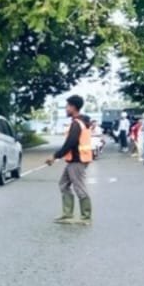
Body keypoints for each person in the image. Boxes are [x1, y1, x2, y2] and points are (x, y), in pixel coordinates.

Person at [46, 95, 93, 225]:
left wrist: (55, 156)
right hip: (74, 159)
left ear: (73, 107)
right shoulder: (80, 122)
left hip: (78, 159)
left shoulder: (77, 124)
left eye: (67, 106)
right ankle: (67, 214)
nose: (66, 109)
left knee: (79, 187)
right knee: (63, 184)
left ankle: (86, 217)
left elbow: (70, 143)